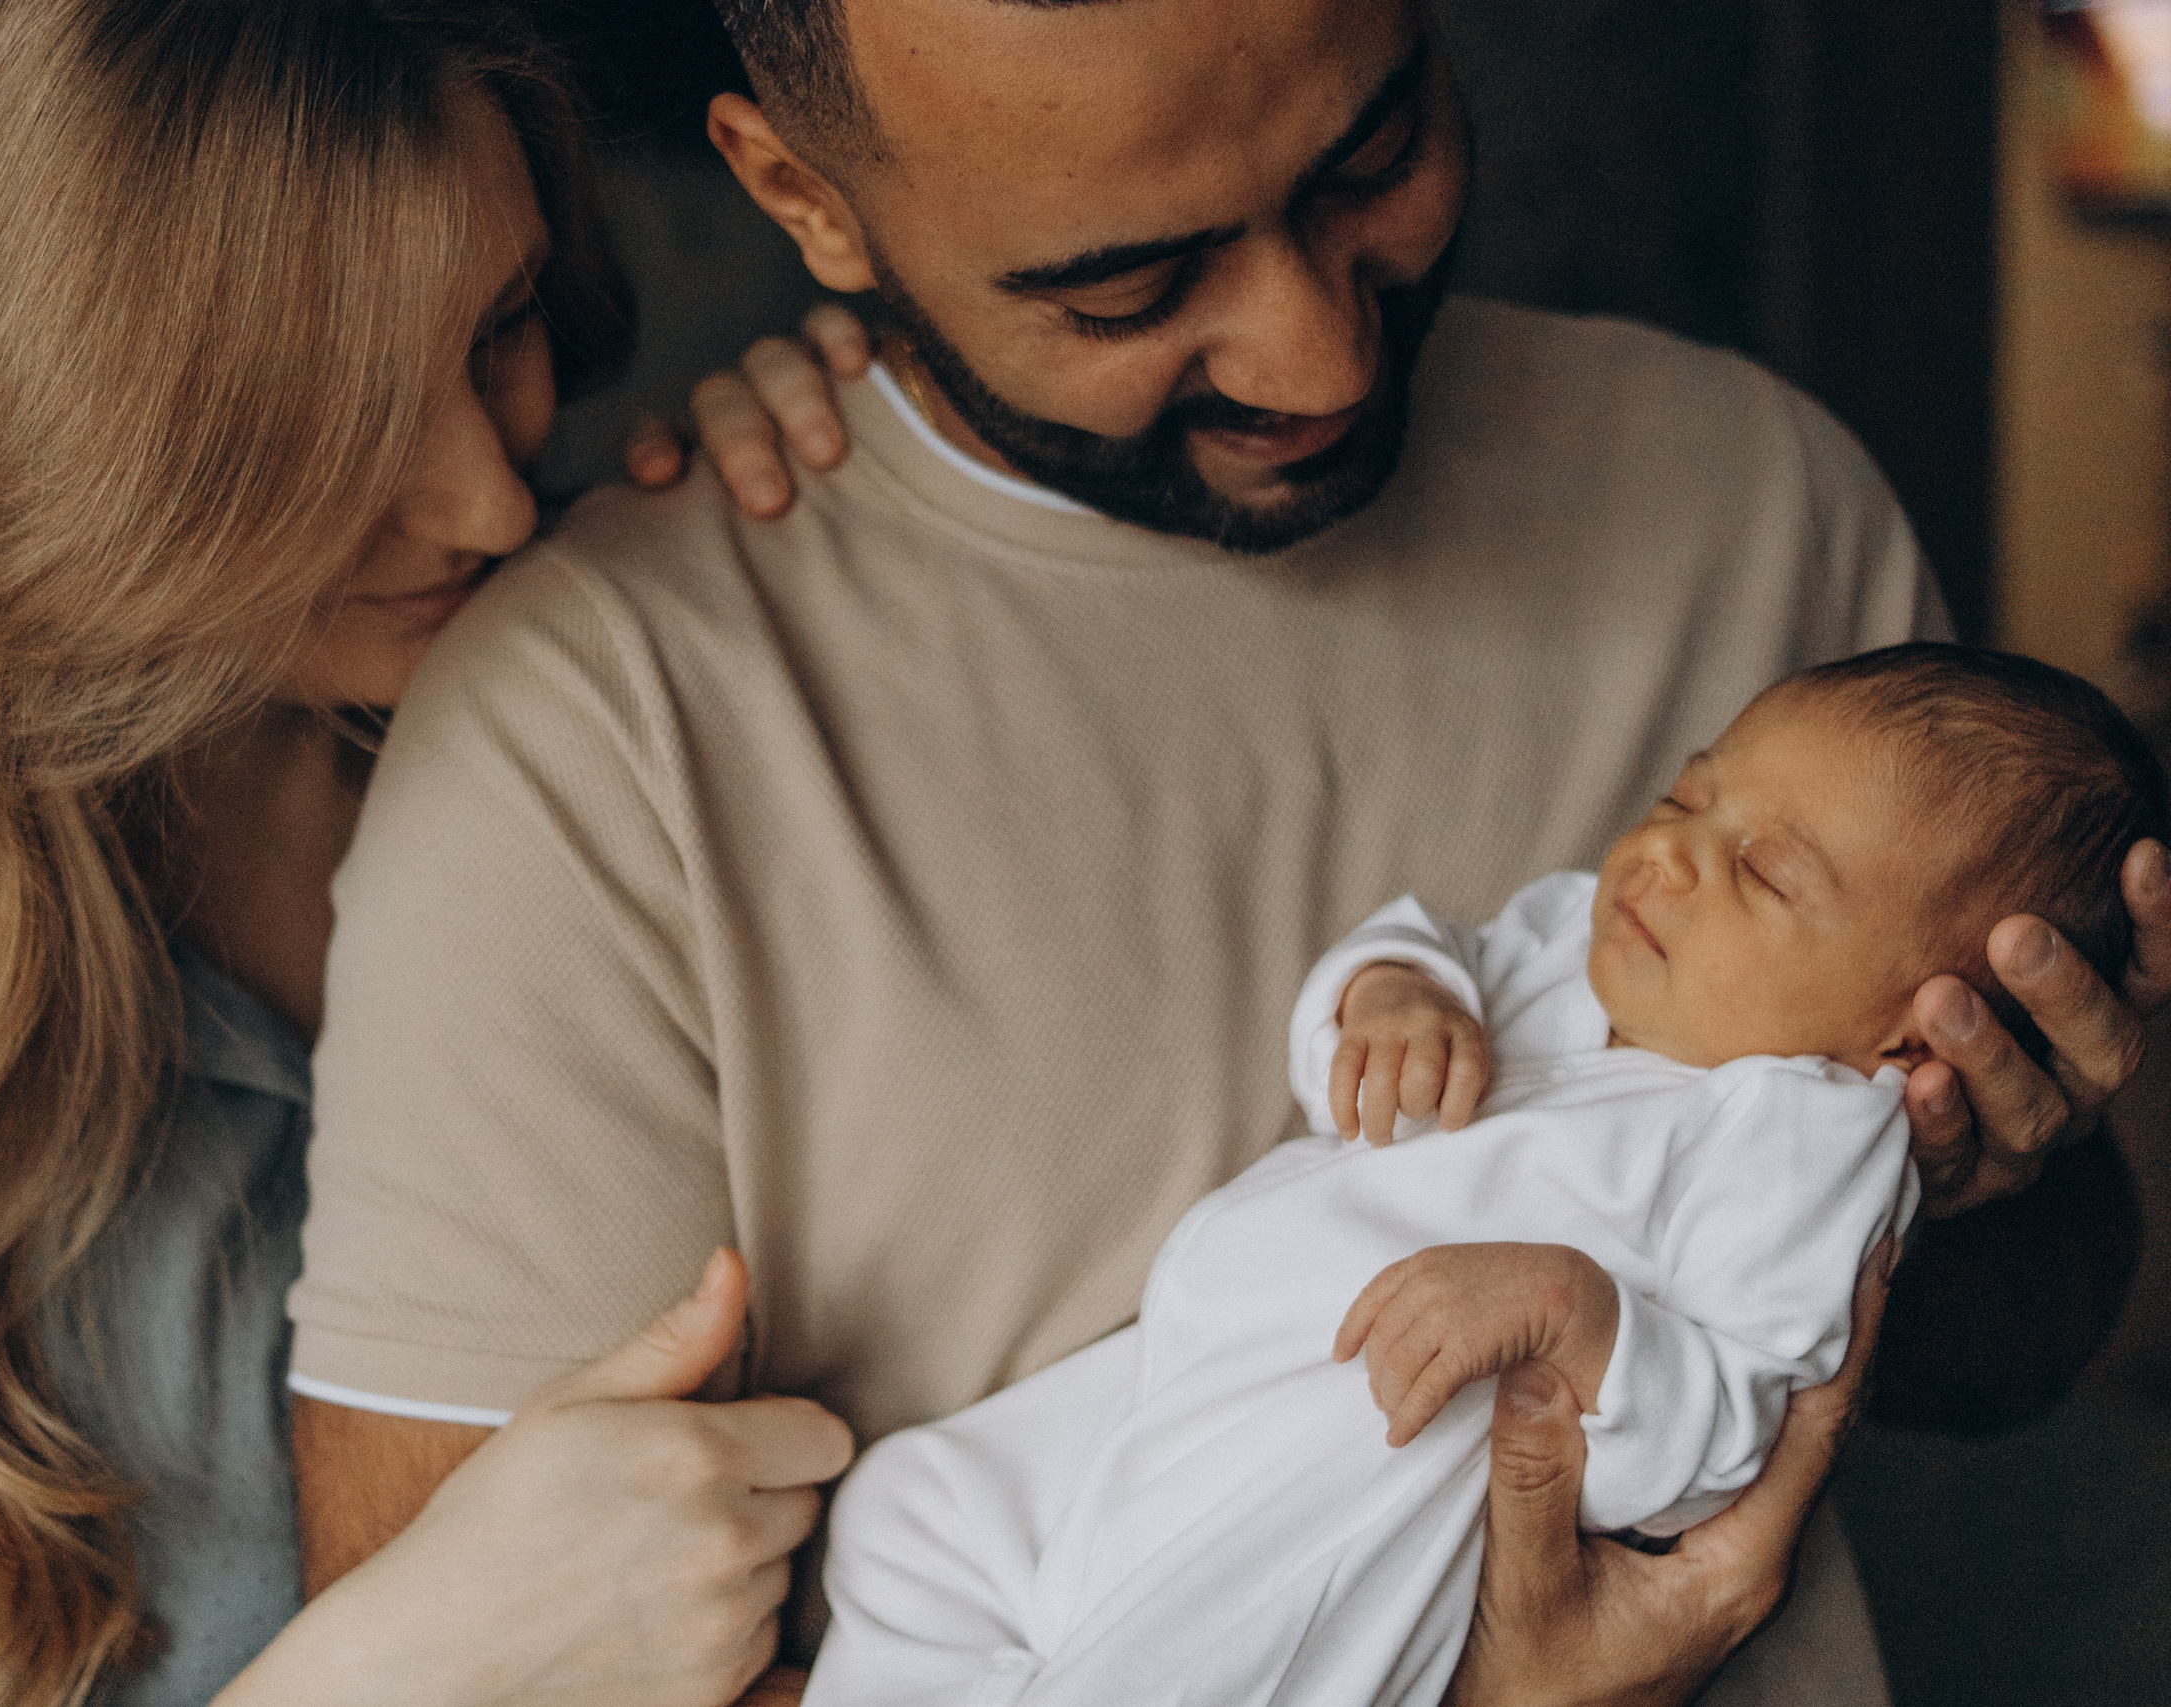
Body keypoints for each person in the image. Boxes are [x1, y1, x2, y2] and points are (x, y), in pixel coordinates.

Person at [289, 1, 2161, 1702]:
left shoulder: (1757, 497)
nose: (1316, 353)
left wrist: (1991, 1181)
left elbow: (1986, 1371)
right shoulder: (588, 736)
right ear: (808, 200)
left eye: (1372, 160)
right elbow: (479, 1674)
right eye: (1126, 287)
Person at [0, 3, 878, 1704]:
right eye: (333, 419)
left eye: (497, 329)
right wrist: (433, 1651)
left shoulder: (633, 726)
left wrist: (857, 553)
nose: (488, 500)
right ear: (60, 427)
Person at [805, 643, 2164, 1707]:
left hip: (1376, 1462)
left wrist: (1586, 1317)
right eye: (1688, 793)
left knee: (1187, 1666)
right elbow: (1421, 945)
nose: (1672, 850)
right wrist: (1393, 993)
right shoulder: (1584, 939)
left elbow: (1730, 1427)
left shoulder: (1804, 1137)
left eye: (1762, 870)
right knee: (914, 1512)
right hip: (1215, 1360)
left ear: (1912, 1033)